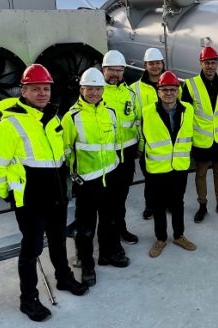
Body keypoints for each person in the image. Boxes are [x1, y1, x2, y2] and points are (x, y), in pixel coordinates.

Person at [0, 64, 88, 322]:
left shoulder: (52, 119)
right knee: (31, 250)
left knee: (59, 240)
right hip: (30, 201)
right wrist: (9, 194)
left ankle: (63, 278)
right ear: (24, 90)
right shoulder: (9, 126)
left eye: (46, 88)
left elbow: (58, 156)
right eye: (35, 89)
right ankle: (27, 299)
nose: (42, 93)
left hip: (56, 196)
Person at [61, 68, 126, 289]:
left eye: (98, 88)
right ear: (81, 89)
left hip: (111, 176)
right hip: (87, 182)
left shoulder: (110, 112)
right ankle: (87, 265)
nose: (94, 93)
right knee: (86, 227)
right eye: (90, 88)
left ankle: (108, 253)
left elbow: (114, 143)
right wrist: (76, 174)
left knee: (110, 220)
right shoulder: (72, 117)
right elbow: (66, 150)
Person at [140, 71, 198, 257]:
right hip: (157, 167)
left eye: (173, 89)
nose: (169, 93)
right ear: (158, 92)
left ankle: (179, 235)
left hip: (179, 166)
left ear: (178, 91)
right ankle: (161, 239)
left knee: (177, 203)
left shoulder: (188, 109)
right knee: (157, 205)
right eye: (165, 90)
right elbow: (142, 135)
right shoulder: (147, 111)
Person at [181, 46, 218, 223]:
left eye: (213, 63)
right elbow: (185, 114)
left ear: (217, 63)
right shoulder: (190, 85)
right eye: (207, 63)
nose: (210, 66)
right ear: (201, 63)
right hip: (201, 139)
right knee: (201, 174)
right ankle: (202, 204)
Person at [101, 50, 141, 246]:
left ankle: (121, 228)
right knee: (106, 199)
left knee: (121, 197)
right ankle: (109, 236)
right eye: (111, 70)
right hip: (106, 157)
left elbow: (137, 122)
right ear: (103, 70)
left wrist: (139, 147)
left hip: (127, 156)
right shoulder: (96, 93)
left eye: (119, 70)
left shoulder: (130, 94)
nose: (115, 74)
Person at [131, 47, 167, 221]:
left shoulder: (172, 84)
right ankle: (150, 205)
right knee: (151, 177)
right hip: (147, 141)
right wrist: (139, 143)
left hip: (167, 140)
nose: (155, 66)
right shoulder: (135, 89)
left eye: (157, 63)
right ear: (145, 65)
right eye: (151, 63)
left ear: (162, 64)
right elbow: (134, 118)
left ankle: (166, 203)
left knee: (167, 176)